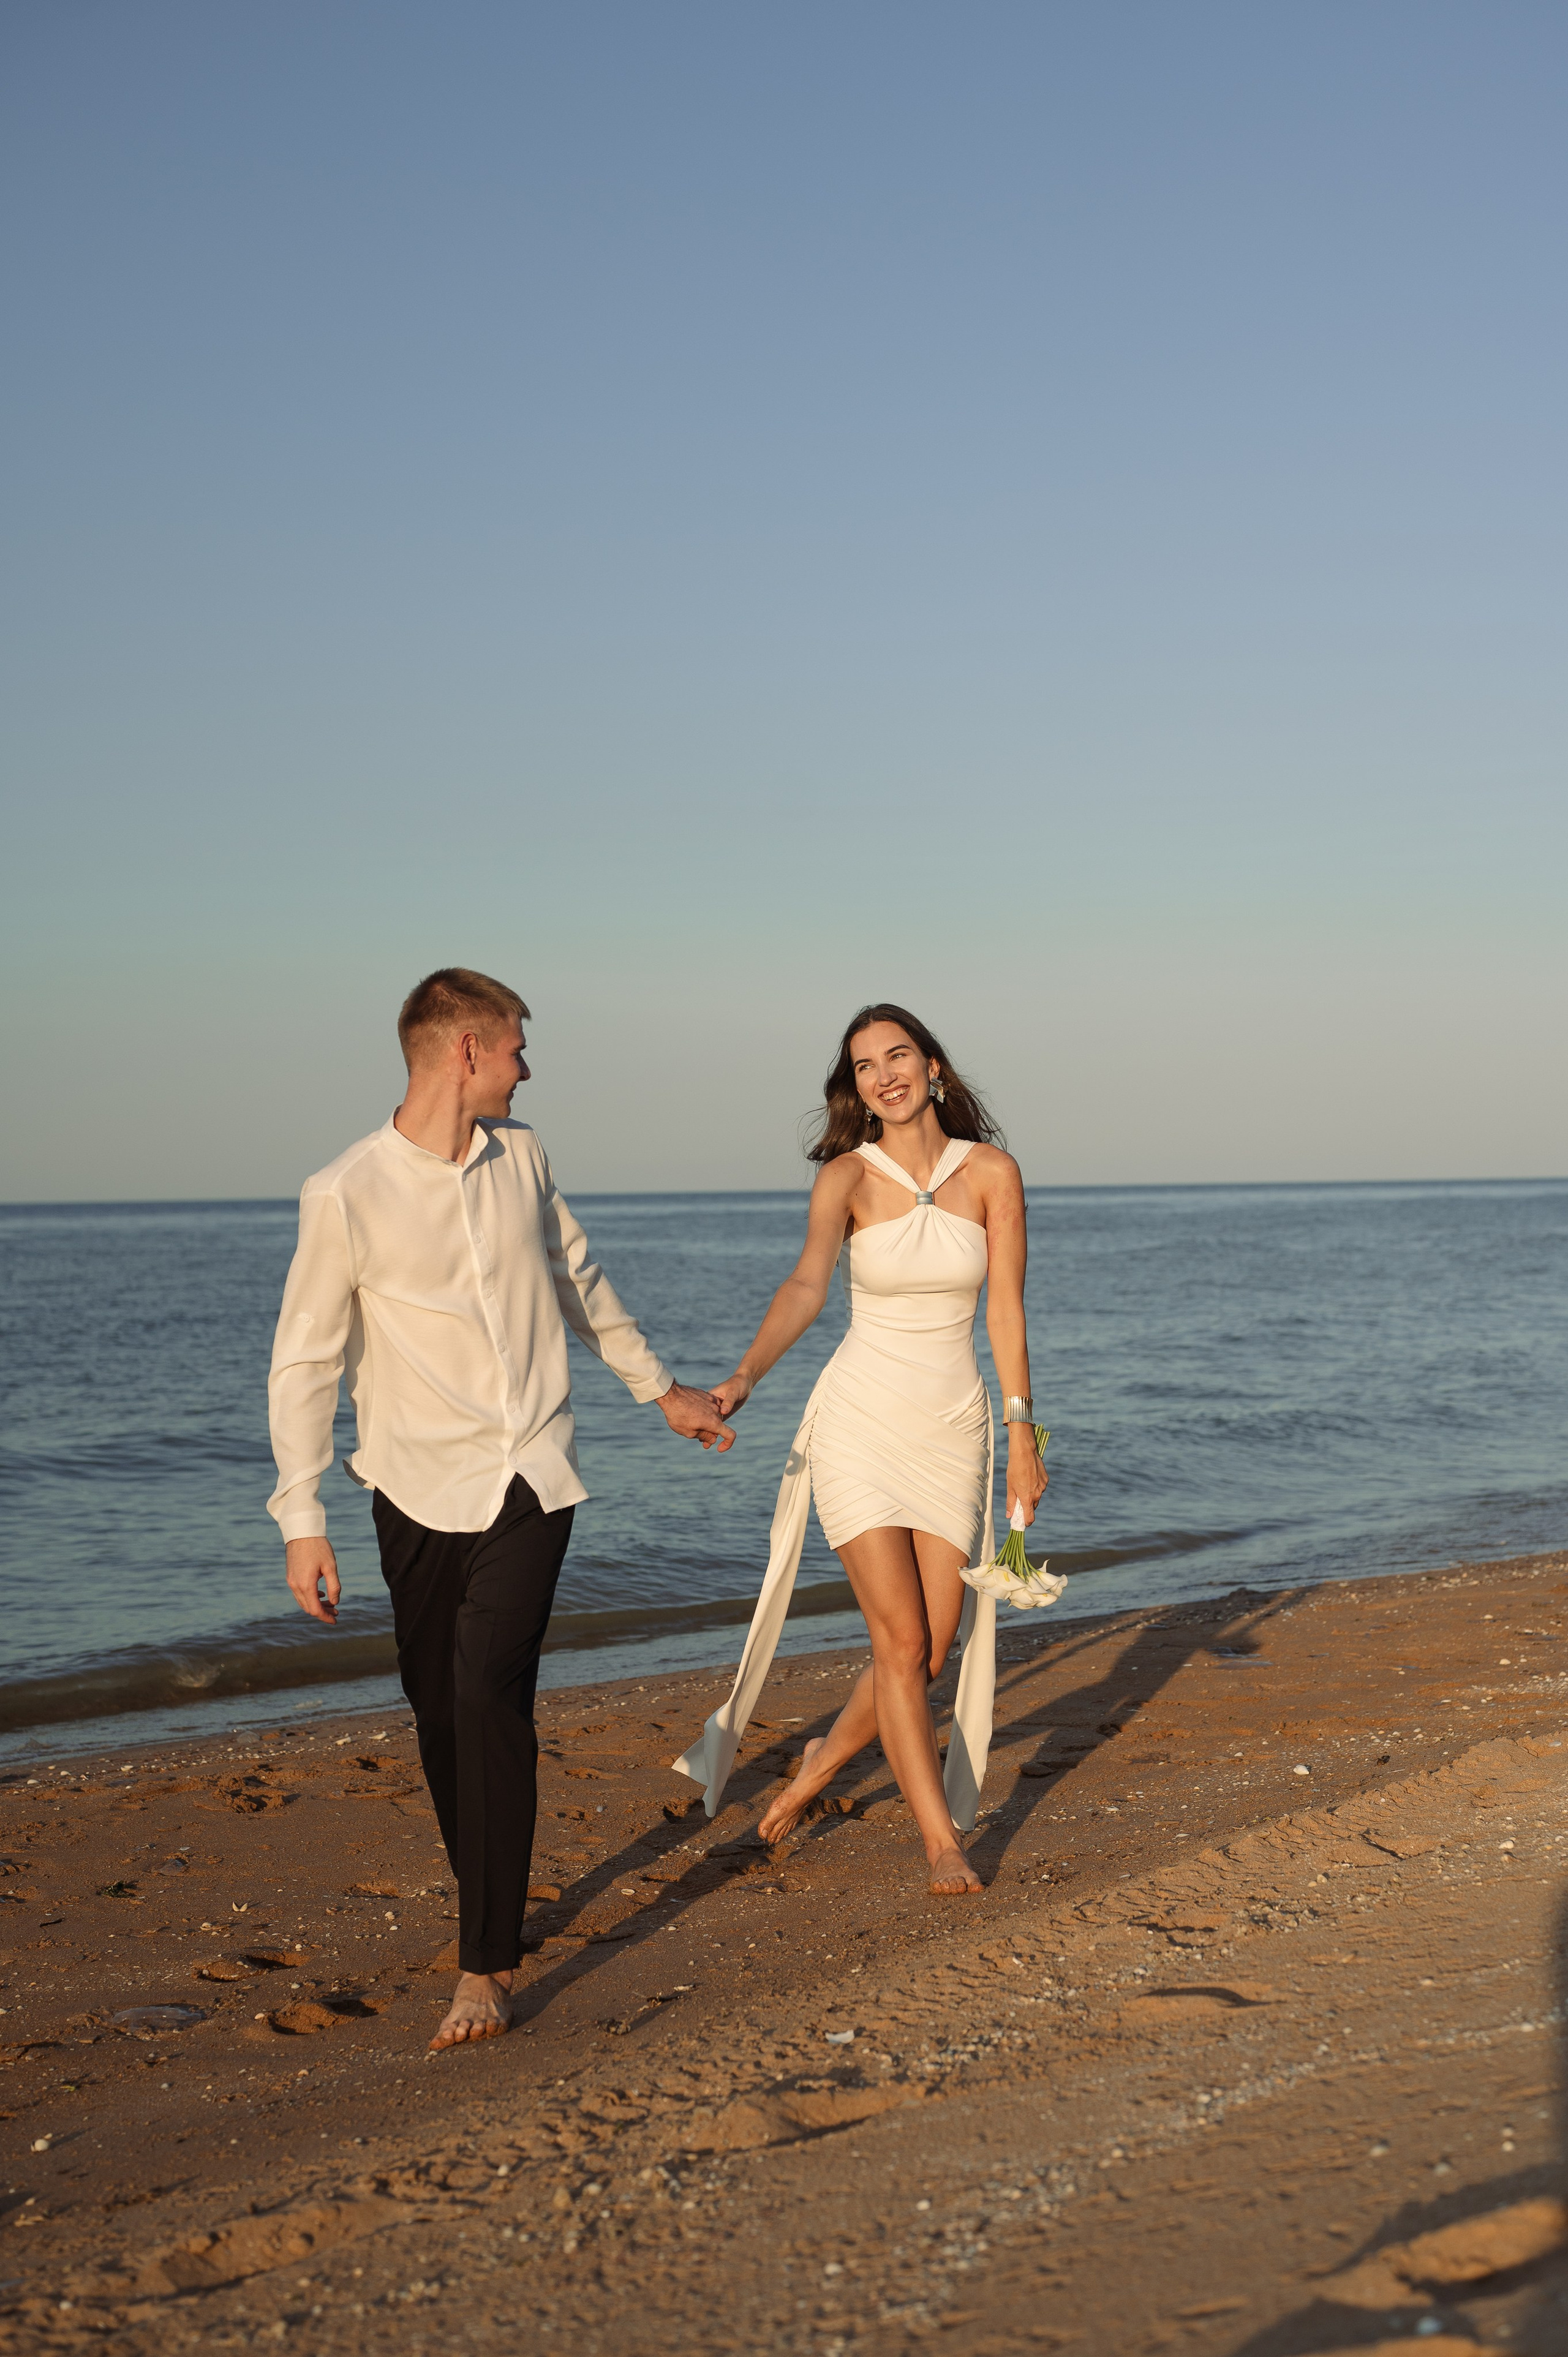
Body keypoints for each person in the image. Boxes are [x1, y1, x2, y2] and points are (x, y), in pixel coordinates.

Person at [267, 967, 731, 2050]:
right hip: (414, 1485)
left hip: (532, 1473)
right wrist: (301, 1517)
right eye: (519, 1046)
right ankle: (490, 1887)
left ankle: (486, 1964)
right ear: (466, 1050)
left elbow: (580, 1279)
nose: (530, 1066)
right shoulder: (344, 1190)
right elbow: (304, 1363)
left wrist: (660, 1391)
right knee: (437, 1706)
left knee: (489, 1696)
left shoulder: (522, 1156)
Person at [673, 1003, 1051, 1895]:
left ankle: (819, 1760)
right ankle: (940, 1844)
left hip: (953, 1426)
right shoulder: (846, 1178)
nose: (884, 1074)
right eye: (864, 1066)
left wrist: (1022, 1428)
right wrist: (741, 1379)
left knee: (929, 1649)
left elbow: (1005, 1310)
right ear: (855, 1088)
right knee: (901, 1636)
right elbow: (807, 1285)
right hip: (859, 1422)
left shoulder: (993, 1172)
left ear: (934, 1069)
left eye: (899, 1055)